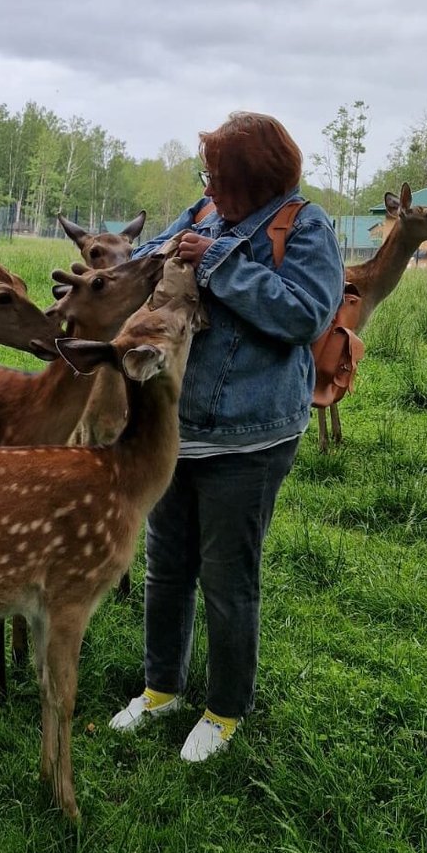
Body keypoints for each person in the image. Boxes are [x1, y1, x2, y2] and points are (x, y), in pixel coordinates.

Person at [111, 112, 345, 761]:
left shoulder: (303, 227)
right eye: (206, 173)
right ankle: (162, 689)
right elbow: (137, 259)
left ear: (252, 177)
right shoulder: (204, 210)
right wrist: (165, 250)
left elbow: (303, 315)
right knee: (166, 566)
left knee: (227, 578)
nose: (208, 182)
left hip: (250, 438)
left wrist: (215, 261)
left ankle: (224, 709)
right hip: (176, 428)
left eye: (217, 172)